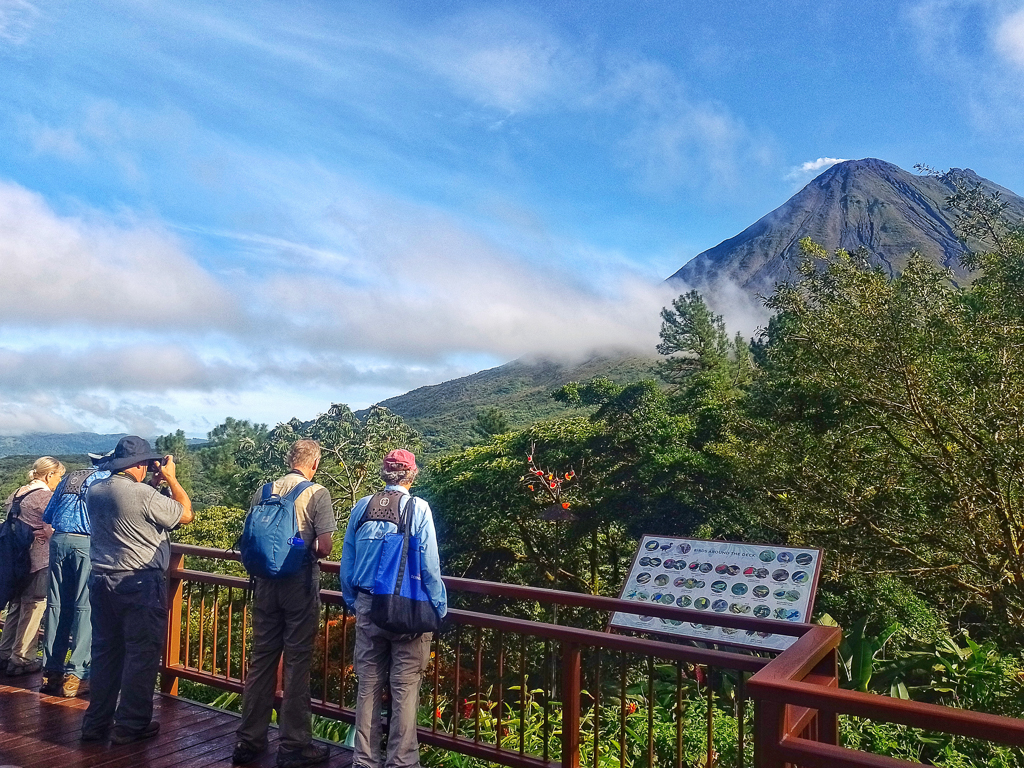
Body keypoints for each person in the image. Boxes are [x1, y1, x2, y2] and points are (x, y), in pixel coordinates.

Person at [80, 436, 193, 744]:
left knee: (106, 653)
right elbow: (185, 514)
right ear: (140, 464)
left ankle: (95, 723)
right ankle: (131, 725)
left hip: (102, 580)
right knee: (141, 655)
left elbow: (132, 510)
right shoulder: (143, 494)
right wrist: (171, 480)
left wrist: (152, 484)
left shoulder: (95, 489)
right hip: (139, 583)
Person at [340, 449, 447, 768]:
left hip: (367, 604)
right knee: (405, 688)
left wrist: (353, 601)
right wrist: (438, 607)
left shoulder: (362, 507)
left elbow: (347, 561)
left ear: (384, 473)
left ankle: (365, 760)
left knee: (368, 686)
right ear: (412, 475)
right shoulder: (418, 508)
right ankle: (402, 761)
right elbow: (429, 565)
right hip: (406, 610)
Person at [233, 439, 337, 768]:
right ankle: (294, 745)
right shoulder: (317, 492)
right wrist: (301, 545)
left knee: (262, 661)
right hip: (299, 585)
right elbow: (325, 547)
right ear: (315, 464)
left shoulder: (264, 491)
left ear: (289, 460)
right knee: (297, 663)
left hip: (264, 583)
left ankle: (249, 740)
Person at [39, 452, 112, 697]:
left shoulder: (70, 477)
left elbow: (48, 515)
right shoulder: (106, 481)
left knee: (56, 606)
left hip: (59, 541)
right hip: (85, 543)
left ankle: (51, 672)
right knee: (84, 607)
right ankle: (76, 675)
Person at [0, 457, 65, 676]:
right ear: (49, 475)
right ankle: (22, 658)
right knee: (34, 606)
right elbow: (54, 527)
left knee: (16, 605)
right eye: (59, 476)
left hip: (16, 558)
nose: (59, 481)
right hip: (38, 559)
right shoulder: (45, 497)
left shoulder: (18, 493)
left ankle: (5, 652)